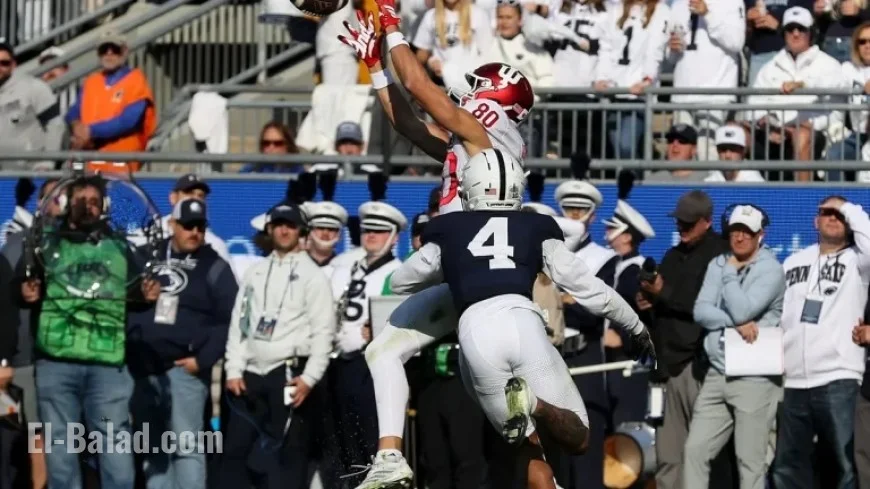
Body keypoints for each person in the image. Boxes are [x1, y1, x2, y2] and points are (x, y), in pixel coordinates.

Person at [337, 3, 582, 485]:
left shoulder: (486, 134)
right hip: (467, 279)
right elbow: (408, 124)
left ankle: (392, 456)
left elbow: (419, 87)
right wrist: (376, 66)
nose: (467, 94)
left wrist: (391, 23)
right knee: (521, 436)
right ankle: (390, 457)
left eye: (477, 88)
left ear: (493, 100)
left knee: (387, 351)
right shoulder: (471, 145)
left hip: (479, 282)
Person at [388, 149, 656, 489]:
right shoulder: (535, 225)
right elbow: (590, 289)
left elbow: (400, 282)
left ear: (470, 187)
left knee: (527, 449)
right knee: (579, 439)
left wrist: (455, 269)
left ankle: (389, 453)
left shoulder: (448, 228)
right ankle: (536, 404)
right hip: (524, 322)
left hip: (476, 333)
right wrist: (635, 326)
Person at [17, 175, 160, 489]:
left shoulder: (120, 248)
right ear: (68, 204)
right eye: (81, 201)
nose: (87, 207)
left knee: (116, 452)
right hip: (57, 361)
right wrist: (26, 291)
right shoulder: (47, 244)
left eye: (94, 202)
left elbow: (135, 294)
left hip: (106, 364)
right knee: (61, 452)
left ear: (104, 207)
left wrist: (146, 295)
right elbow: (23, 283)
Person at [219, 202, 335, 489]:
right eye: (279, 225)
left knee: (289, 456)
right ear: (269, 229)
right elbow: (240, 323)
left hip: (288, 375)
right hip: (249, 375)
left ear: (301, 231)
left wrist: (309, 378)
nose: (284, 231)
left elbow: (324, 333)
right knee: (235, 454)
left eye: (290, 225)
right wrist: (233, 368)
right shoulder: (255, 271)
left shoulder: (313, 275)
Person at [126, 199, 238, 489]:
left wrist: (203, 359)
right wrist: (138, 294)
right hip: (143, 368)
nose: (194, 232)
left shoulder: (214, 266)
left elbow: (230, 318)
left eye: (200, 226)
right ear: (172, 224)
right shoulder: (146, 255)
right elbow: (120, 297)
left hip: (183, 370)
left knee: (186, 447)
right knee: (153, 448)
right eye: (188, 226)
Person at [772, 195, 870, 489]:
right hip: (793, 380)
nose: (833, 217)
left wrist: (847, 208)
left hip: (839, 377)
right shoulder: (793, 261)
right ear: (815, 221)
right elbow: (778, 312)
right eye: (826, 212)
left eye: (839, 214)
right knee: (788, 466)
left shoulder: (858, 261)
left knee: (844, 464)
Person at [686, 204, 785, 489]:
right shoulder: (718, 263)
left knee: (750, 461)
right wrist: (735, 323)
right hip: (718, 371)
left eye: (747, 232)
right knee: (695, 450)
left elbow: (745, 310)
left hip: (754, 376)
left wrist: (729, 275)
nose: (739, 238)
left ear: (760, 235)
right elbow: (701, 311)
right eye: (735, 231)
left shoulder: (770, 269)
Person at [636, 189, 729, 489]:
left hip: (699, 365)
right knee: (669, 456)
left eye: (689, 222)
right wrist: (646, 301)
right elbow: (660, 302)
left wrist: (662, 293)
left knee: (704, 454)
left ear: (707, 221)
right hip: (667, 366)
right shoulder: (673, 255)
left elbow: (706, 307)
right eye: (679, 221)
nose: (682, 227)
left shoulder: (720, 255)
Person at [328, 201, 406, 486]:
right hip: (342, 363)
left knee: (369, 441)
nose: (371, 236)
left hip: (371, 367)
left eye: (380, 231)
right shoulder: (350, 267)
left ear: (394, 237)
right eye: (367, 230)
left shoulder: (398, 273)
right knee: (344, 443)